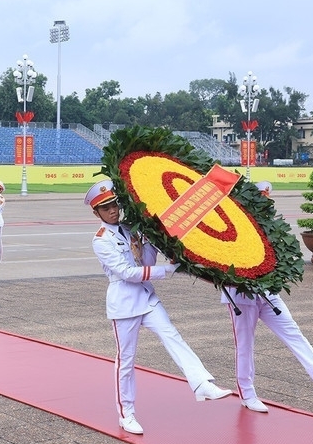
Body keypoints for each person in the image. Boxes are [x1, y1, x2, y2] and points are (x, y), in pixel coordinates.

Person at [84, 179, 231, 435]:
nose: (113, 210)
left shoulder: (131, 229)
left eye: (114, 204)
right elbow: (127, 272)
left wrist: (151, 242)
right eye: (106, 207)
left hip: (147, 297)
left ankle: (201, 383)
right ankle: (126, 414)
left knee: (172, 336)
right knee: (126, 361)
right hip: (125, 303)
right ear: (96, 212)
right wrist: (169, 269)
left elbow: (145, 261)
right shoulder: (100, 240)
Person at [223, 180, 313, 414]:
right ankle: (247, 393)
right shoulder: (235, 226)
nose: (266, 203)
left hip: (267, 293)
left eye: (267, 199)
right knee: (245, 346)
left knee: (292, 330)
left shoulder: (269, 226)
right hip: (241, 296)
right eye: (262, 198)